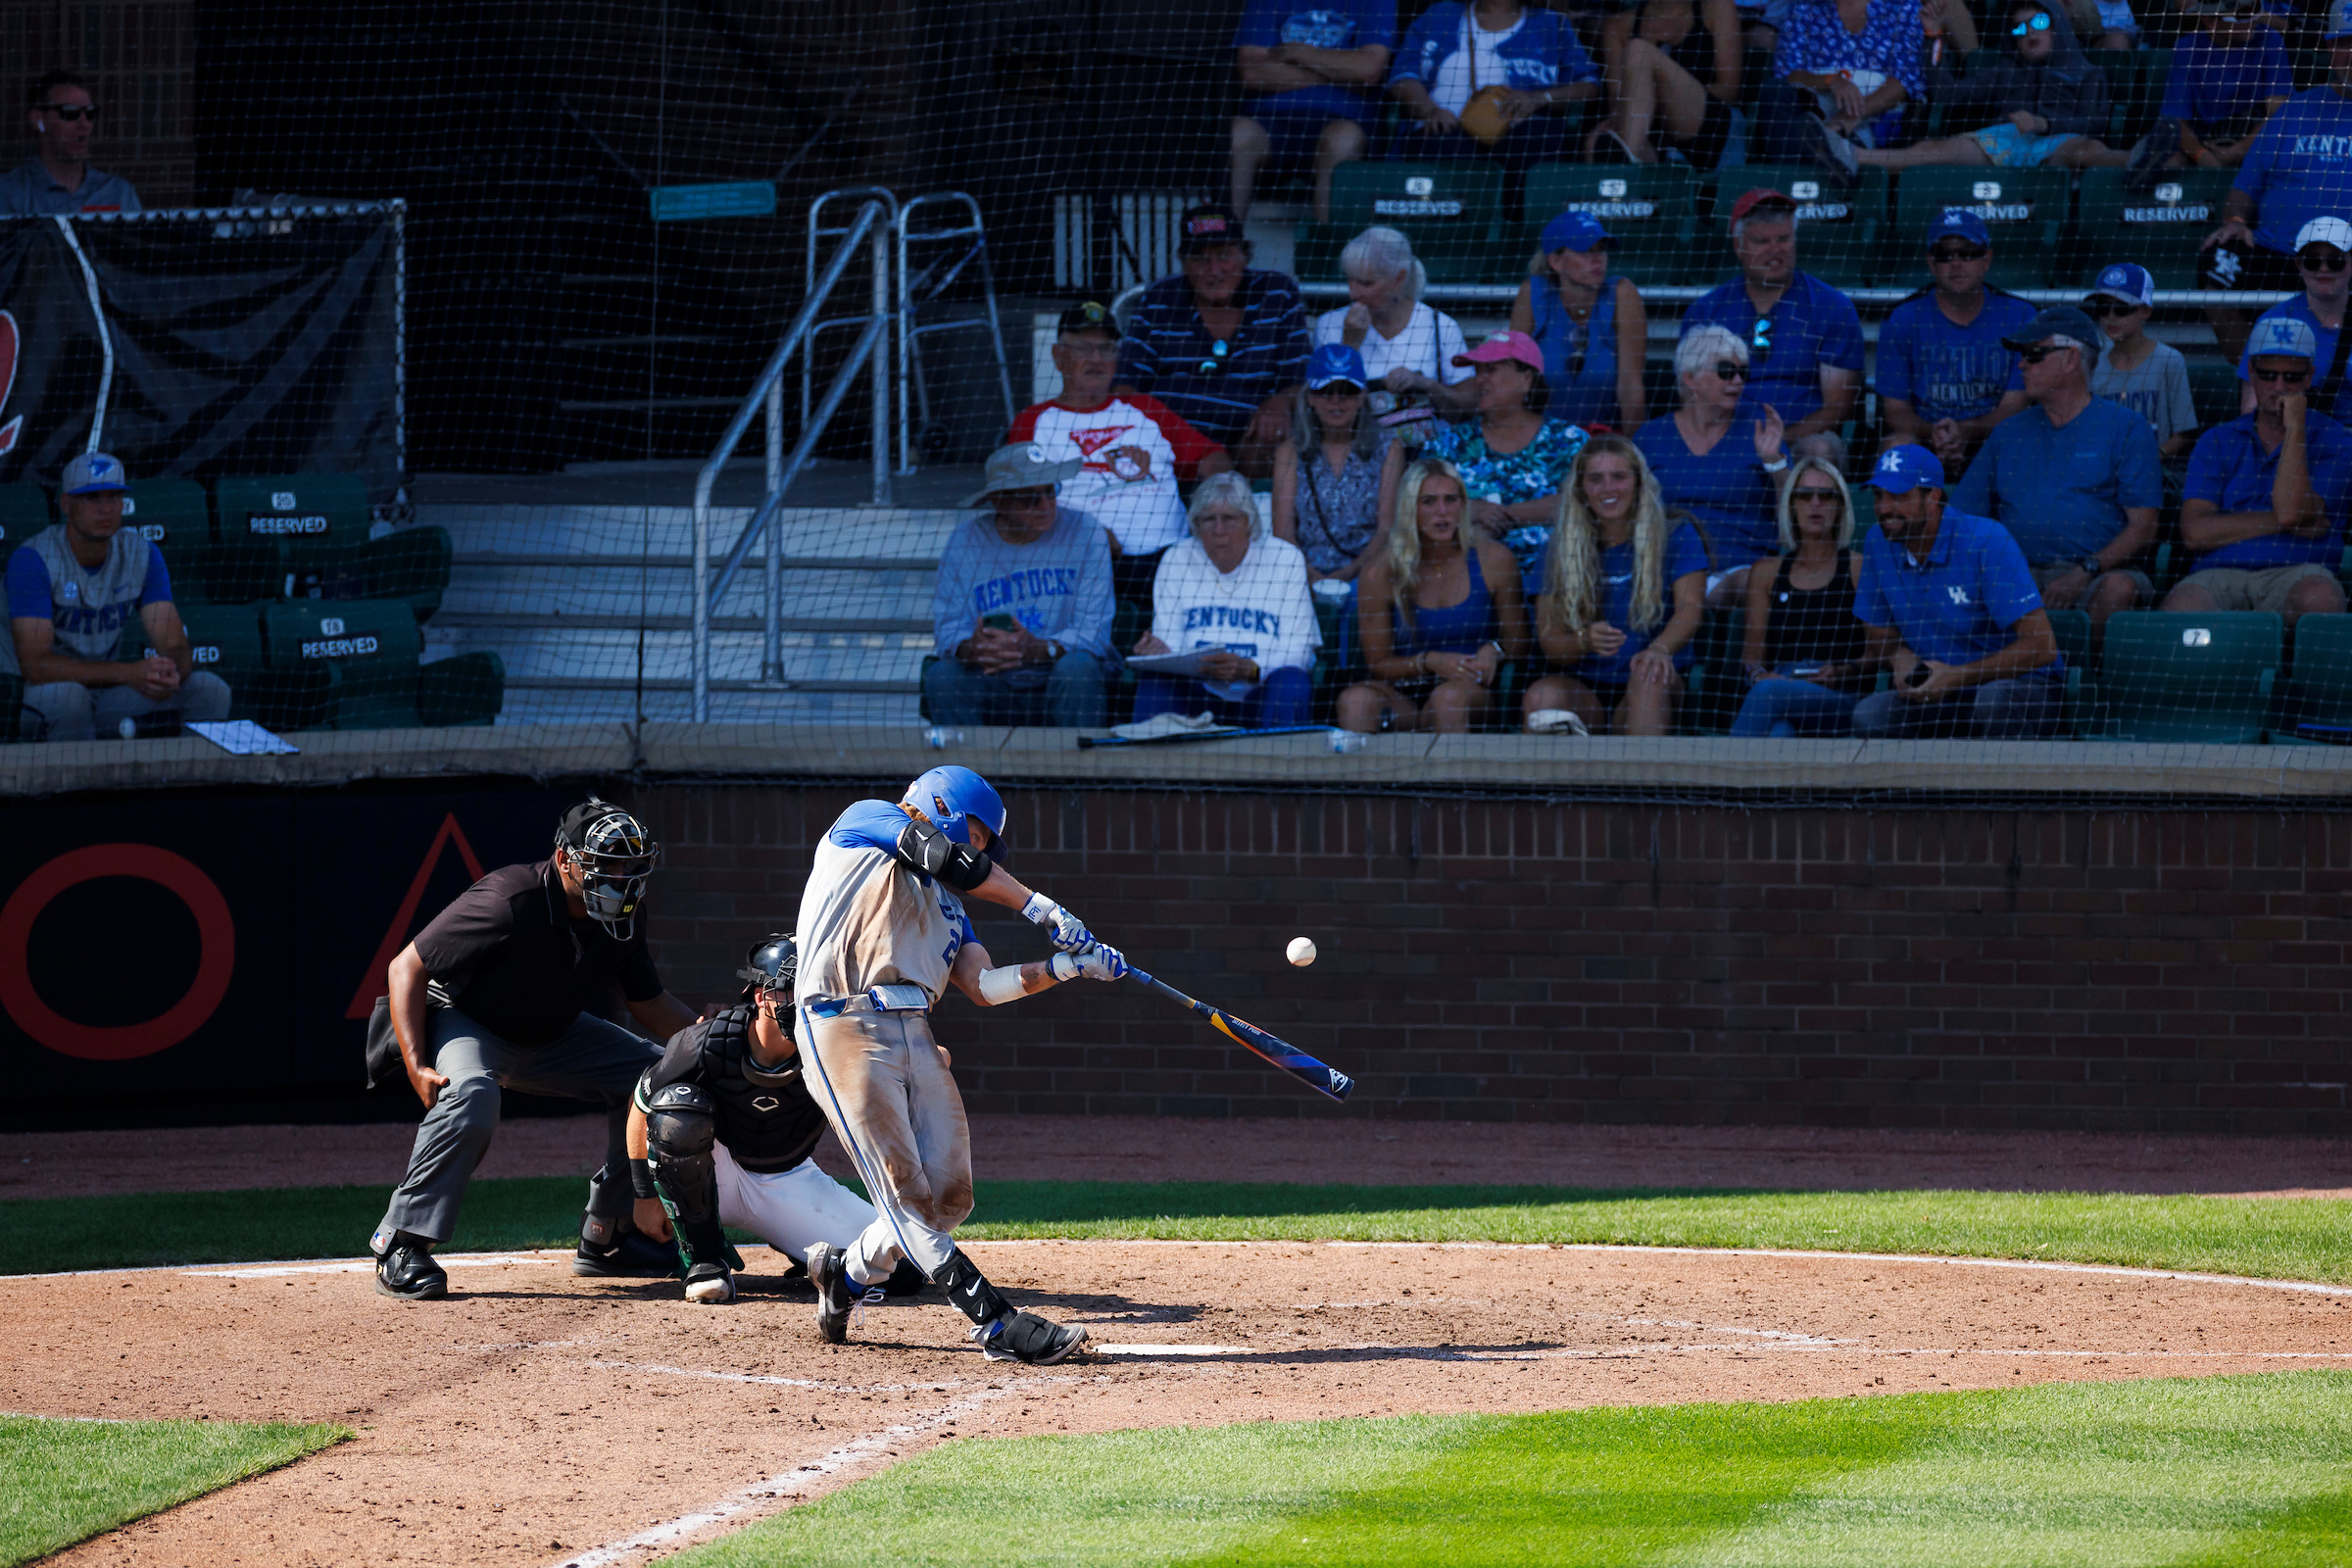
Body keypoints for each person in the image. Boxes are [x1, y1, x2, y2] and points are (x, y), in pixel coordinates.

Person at [795, 765, 1122, 1363]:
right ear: (943, 806)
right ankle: (997, 1324)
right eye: (976, 832)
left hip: (914, 1030)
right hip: (842, 1022)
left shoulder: (947, 907)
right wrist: (1044, 909)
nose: (979, 847)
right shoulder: (868, 821)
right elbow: (953, 861)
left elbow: (985, 985)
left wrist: (1069, 968)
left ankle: (843, 1278)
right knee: (903, 1192)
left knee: (949, 1196)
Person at [370, 799, 703, 1301]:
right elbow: (406, 967)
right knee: (472, 1095)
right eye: (607, 866)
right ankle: (401, 1242)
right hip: (467, 1020)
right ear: (566, 860)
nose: (621, 879)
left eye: (630, 867)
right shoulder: (509, 899)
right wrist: (417, 1062)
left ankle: (608, 1237)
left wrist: (707, 1032)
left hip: (553, 1032)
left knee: (653, 1078)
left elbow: (649, 1003)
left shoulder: (623, 912)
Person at [627, 935, 908, 1306]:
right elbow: (641, 1106)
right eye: (792, 990)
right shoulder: (707, 1042)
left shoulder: (836, 1042)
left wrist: (908, 1052)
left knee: (900, 1269)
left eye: (815, 990)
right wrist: (644, 1195)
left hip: (787, 1176)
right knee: (677, 1110)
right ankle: (705, 1261)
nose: (805, 1002)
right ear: (761, 995)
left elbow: (919, 1065)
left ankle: (796, 1241)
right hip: (714, 1172)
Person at [1948, 304, 2161, 631]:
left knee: (2120, 589)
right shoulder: (2008, 433)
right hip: (2018, 574)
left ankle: (2088, 681)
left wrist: (2083, 572)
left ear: (2071, 360)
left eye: (2034, 354)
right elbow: (1961, 517)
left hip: (2097, 573)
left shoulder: (2127, 427)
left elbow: (2144, 527)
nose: (2021, 364)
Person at [1010, 301, 1231, 603]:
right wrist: (1084, 533)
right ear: (1058, 356)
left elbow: (1212, 457)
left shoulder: (1146, 409)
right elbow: (1016, 501)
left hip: (1175, 561)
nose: (1097, 359)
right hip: (1083, 565)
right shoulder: (1033, 421)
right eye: (1083, 349)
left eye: (1107, 349)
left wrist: (1215, 498)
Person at [3, 453, 230, 742]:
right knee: (71, 698)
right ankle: (77, 788)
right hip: (40, 697)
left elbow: (174, 643)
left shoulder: (142, 554)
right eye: (92, 498)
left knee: (208, 688)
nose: (105, 509)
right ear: (66, 504)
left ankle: (192, 784)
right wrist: (127, 673)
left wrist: (169, 671)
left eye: (114, 497)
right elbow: (36, 665)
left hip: (108, 694)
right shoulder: (34, 558)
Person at [1850, 444, 2065, 738]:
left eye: (1898, 497)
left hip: (2021, 686)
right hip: (1938, 689)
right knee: (1870, 714)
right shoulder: (1878, 542)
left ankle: (2009, 786)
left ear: (1933, 497)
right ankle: (1907, 787)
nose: (1884, 508)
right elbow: (1879, 635)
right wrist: (1902, 661)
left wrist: (1957, 677)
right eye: (1878, 496)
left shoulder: (1986, 540)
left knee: (1993, 701)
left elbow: (2042, 648)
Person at [1812, 0, 2163, 179]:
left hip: (2062, 142)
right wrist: (1933, 36)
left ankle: (2142, 159)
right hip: (2005, 143)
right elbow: (1948, 94)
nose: (2029, 33)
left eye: (2038, 23)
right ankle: (1849, 157)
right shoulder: (2003, 71)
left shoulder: (2090, 73)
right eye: (2019, 29)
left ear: (2057, 26)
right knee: (1935, 148)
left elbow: (2095, 121)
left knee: (2090, 148)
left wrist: (2044, 125)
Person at [2164, 315, 2352, 624]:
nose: (2278, 386)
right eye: (2267, 374)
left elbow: (2290, 511)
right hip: (2218, 572)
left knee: (2320, 599)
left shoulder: (2338, 440)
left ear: (2309, 377)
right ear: (2251, 372)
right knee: (2181, 606)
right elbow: (2195, 533)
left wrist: (2294, 430)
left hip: (2299, 571)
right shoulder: (2217, 440)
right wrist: (2286, 523)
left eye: (2291, 377)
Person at [1521, 435, 1709, 735]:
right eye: (1596, 479)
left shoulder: (1677, 533)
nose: (1608, 488)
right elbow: (1550, 641)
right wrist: (1584, 639)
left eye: (1619, 477)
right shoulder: (1556, 549)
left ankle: (1640, 783)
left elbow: (1691, 608)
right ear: (1582, 489)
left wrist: (1659, 649)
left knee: (1648, 680)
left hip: (1654, 678)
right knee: (1542, 697)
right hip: (1585, 688)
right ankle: (1551, 783)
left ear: (1638, 482)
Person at [2199, 0, 2352, 365]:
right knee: (2216, 264)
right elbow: (2243, 188)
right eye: (2344, 43)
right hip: (2280, 255)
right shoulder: (2294, 111)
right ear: (2329, 49)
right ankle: (2260, 378)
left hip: (2346, 262)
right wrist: (2235, 223)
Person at [923, 443, 1114, 729]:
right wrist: (972, 648)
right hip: (992, 677)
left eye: (1051, 492)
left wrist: (1039, 649)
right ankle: (965, 774)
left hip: (1061, 676)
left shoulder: (1085, 531)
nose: (1047, 505)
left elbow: (1094, 631)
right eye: (1030, 499)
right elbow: (948, 628)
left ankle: (1080, 774)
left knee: (1078, 669)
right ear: (999, 501)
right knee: (942, 676)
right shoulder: (965, 541)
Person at [1114, 203, 1310, 479]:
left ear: (1245, 256)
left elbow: (1299, 379)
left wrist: (1278, 403)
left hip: (1252, 438)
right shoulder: (1160, 298)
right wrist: (1182, 439)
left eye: (1224, 255)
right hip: (1176, 443)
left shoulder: (1277, 294)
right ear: (1183, 262)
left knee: (1276, 435)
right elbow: (1125, 387)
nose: (1214, 269)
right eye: (1200, 258)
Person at [1380, 329, 1589, 585]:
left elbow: (1583, 501)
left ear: (1527, 380)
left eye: (1492, 370)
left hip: (1555, 581)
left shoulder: (1569, 440)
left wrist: (1508, 514)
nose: (1480, 380)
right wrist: (1473, 509)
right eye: (1478, 371)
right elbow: (1413, 506)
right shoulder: (1449, 445)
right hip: (1466, 585)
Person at [1336, 458, 1526, 732]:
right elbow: (1378, 664)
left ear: (1464, 505)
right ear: (1409, 509)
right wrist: (1431, 662)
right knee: (1356, 701)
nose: (1442, 511)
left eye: (1451, 500)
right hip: (1405, 692)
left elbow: (1520, 642)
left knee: (1448, 700)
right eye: (1428, 502)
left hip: (1469, 692)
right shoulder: (1379, 572)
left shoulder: (1494, 559)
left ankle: (1450, 777)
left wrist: (1494, 650)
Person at [1680, 189, 1865, 466]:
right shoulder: (1706, 312)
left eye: (1783, 239)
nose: (1775, 251)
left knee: (1821, 450)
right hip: (1723, 437)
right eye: (1761, 241)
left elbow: (1837, 408)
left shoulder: (1832, 307)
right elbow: (1693, 397)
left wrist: (1777, 441)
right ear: (1738, 245)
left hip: (1801, 438)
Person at [1131, 472, 1321, 727]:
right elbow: (1170, 640)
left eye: (1229, 519)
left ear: (1250, 523)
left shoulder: (1285, 559)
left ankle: (1278, 764)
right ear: (1196, 526)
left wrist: (1250, 669)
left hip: (1260, 692)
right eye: (1209, 520)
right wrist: (1159, 652)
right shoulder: (1177, 558)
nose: (1218, 530)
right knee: (1155, 681)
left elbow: (1300, 653)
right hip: (1197, 690)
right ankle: (1148, 765)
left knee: (1292, 682)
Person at [1635, 324, 1790, 604]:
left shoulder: (1759, 431)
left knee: (1752, 584)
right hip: (1664, 569)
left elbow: (1791, 517)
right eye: (1725, 371)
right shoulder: (1650, 437)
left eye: (1743, 372)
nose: (1738, 381)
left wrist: (1775, 463)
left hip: (1738, 571)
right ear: (1690, 378)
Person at [1874, 209, 2034, 476]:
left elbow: (2014, 407)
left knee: (2024, 443)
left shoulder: (2020, 316)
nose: (1956, 262)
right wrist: (1937, 434)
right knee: (1896, 446)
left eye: (1968, 252)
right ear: (1931, 262)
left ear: (1987, 259)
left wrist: (1965, 431)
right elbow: (1896, 411)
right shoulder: (1903, 318)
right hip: (1927, 439)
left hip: (1995, 437)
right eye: (1944, 254)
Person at [1386, 0, 1605, 190]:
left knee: (1537, 140)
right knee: (1441, 145)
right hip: (1445, 126)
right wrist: (1429, 110)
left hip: (1521, 128)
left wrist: (1539, 98)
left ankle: (1517, 230)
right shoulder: (1440, 14)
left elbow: (1588, 84)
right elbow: (1402, 76)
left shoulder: (1551, 22)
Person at [1732, 456, 1871, 735]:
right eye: (1805, 495)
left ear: (1840, 506)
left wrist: (1839, 672)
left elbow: (1879, 654)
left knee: (1770, 695)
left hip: (1839, 695)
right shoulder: (1766, 573)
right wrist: (1761, 676)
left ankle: (1721, 778)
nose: (1815, 503)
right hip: (1781, 684)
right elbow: (1752, 658)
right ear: (1792, 504)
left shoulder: (1859, 567)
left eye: (1826, 495)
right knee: (1780, 733)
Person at [1230, 0, 1397, 223]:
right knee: (1237, 134)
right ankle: (1225, 246)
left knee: (1342, 139)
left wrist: (1298, 52)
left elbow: (1368, 71)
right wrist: (1339, 73)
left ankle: (1329, 252)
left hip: (1344, 120)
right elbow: (1251, 71)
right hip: (1270, 122)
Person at [1313, 227, 1476, 416]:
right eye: (1350, 280)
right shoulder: (1329, 324)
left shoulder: (1441, 325)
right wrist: (1350, 345)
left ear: (1399, 278)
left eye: (1366, 283)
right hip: (1357, 442)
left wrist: (1424, 383)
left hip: (1427, 443)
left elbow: (1471, 403)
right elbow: (1324, 403)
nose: (1353, 293)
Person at [1509, 211, 1648, 430]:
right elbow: (1513, 383)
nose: (1598, 259)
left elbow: (1631, 387)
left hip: (1606, 443)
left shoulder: (1622, 294)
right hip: (1546, 446)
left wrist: (1630, 454)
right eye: (1585, 251)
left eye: (1601, 249)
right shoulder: (1533, 293)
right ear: (1556, 261)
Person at [1272, 343, 1396, 583]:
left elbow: (1385, 531)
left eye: (1346, 391)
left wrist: (1347, 575)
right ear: (1310, 398)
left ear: (1362, 397)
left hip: (1369, 575)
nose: (1336, 401)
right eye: (1326, 391)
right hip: (1301, 575)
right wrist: (1311, 579)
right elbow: (1283, 533)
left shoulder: (1389, 449)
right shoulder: (1289, 453)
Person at [1752, 0, 1924, 166]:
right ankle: (1793, 176)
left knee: (1842, 142)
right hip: (1814, 112)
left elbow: (1905, 81)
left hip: (1871, 117)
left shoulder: (1903, 6)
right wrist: (1832, 81)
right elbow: (1787, 75)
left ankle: (1836, 156)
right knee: (1773, 93)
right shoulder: (1805, 6)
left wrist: (1849, 116)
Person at [1588, 0, 1744, 169]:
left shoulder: (1717, 6)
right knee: (1594, 140)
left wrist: (1658, 95)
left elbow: (1729, 89)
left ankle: (1629, 157)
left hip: (1706, 126)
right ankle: (1625, 187)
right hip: (1648, 129)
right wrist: (1639, 103)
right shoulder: (1618, 26)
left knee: (1638, 50)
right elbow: (1616, 99)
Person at [2235, 218, 2352, 417]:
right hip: (2301, 437)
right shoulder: (2272, 322)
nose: (2323, 269)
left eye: (2335, 261)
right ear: (2299, 264)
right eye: (2313, 261)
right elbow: (2251, 408)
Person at [2161, 0, 2293, 172]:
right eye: (2243, 15)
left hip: (2255, 143)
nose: (2252, 20)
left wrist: (2234, 152)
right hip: (2203, 144)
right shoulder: (2186, 49)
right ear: (2211, 22)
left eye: (2254, 12)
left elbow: (2279, 113)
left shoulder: (2270, 40)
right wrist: (2202, 155)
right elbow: (2175, 120)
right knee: (2170, 162)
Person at [2085, 263, 2200, 457]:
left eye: (2121, 308)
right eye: (2103, 308)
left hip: (2157, 473)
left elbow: (2185, 434)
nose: (2111, 316)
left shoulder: (2169, 361)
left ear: (2145, 311)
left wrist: (2153, 458)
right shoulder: (2093, 364)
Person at [0, 71, 140, 216]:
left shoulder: (117, 192)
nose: (84, 124)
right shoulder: (10, 193)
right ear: (38, 119)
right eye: (70, 112)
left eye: (90, 113)